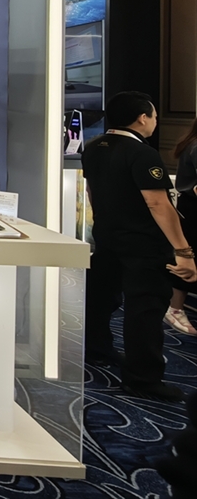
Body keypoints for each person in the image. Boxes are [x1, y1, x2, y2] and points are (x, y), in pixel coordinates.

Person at [82, 91, 196, 402]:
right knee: (145, 309)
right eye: (154, 116)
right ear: (142, 118)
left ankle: (97, 350)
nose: (155, 122)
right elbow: (158, 204)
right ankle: (143, 379)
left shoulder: (94, 147)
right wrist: (183, 252)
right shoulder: (142, 153)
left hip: (107, 237)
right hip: (143, 245)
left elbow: (91, 192)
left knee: (101, 299)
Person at [166, 117, 197, 335]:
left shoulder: (191, 143)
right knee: (188, 259)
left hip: (189, 209)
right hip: (193, 211)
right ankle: (174, 309)